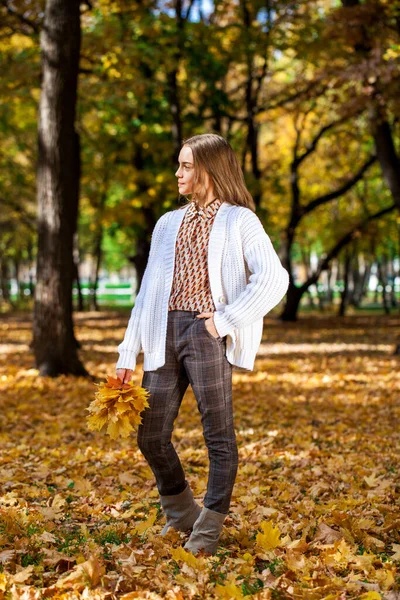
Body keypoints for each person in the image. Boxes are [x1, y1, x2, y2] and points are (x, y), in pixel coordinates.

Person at [115, 133, 289, 555]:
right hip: (163, 333)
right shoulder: (167, 224)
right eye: (179, 165)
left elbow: (273, 278)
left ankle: (208, 529)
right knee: (150, 435)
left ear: (209, 168)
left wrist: (225, 321)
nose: (178, 173)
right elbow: (147, 293)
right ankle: (182, 515)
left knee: (218, 437)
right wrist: (126, 353)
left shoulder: (239, 220)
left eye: (186, 165)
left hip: (205, 333)